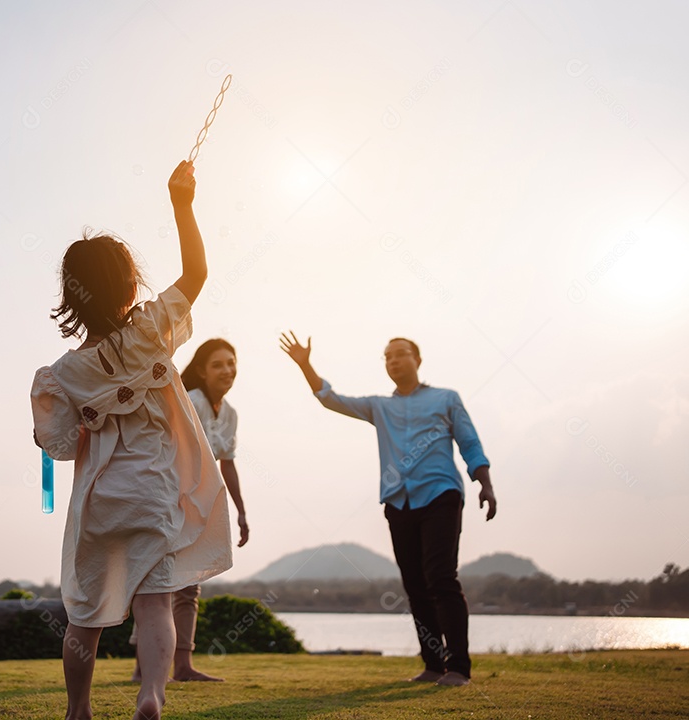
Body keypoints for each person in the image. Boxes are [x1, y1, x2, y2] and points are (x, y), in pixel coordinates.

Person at [31, 160, 233, 720]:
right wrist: (182, 204)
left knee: (85, 614)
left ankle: (78, 709)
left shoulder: (61, 374)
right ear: (128, 284)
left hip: (101, 503)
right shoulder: (149, 332)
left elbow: (59, 447)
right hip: (153, 493)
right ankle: (151, 695)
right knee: (155, 604)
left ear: (72, 294)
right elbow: (197, 272)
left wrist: (49, 429)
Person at [279, 332, 496, 687]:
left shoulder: (446, 398)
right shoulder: (379, 406)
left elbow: (469, 441)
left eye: (400, 354)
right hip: (399, 501)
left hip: (441, 493)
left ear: (417, 359)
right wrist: (306, 365)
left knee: (441, 577)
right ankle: (433, 664)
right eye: (387, 357)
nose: (393, 361)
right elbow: (331, 399)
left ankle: (458, 666)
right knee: (415, 585)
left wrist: (483, 482)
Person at [130, 338, 249, 683]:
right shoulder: (190, 401)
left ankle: (180, 665)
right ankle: (148, 667)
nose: (227, 370)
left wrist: (241, 512)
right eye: (217, 364)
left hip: (198, 506)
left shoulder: (230, 414)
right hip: (166, 500)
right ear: (202, 370)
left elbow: (227, 463)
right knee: (161, 585)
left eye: (231, 362)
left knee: (188, 583)